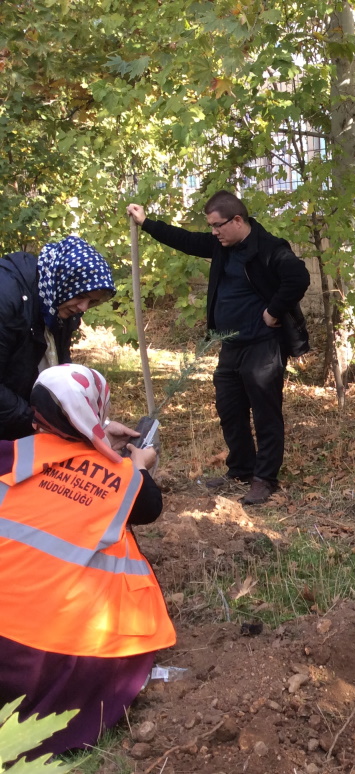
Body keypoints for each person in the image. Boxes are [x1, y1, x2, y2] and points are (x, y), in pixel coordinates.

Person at [0, 364, 175, 757]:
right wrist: (140, 466)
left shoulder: (12, 453)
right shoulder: (123, 478)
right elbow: (149, 505)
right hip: (44, 658)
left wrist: (95, 435)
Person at [127, 192, 310, 505]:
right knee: (229, 410)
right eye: (210, 226)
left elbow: (299, 278)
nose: (213, 232)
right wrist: (146, 223)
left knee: (266, 414)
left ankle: (264, 479)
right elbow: (185, 239)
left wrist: (273, 311)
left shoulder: (269, 248)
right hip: (231, 344)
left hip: (262, 347)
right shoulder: (222, 246)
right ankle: (240, 469)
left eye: (217, 225)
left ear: (237, 220)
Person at [0, 236, 138, 447]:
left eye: (91, 301)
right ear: (63, 280)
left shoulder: (58, 304)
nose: (83, 307)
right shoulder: (7, 297)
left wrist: (96, 427)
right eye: (81, 296)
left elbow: (58, 380)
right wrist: (37, 424)